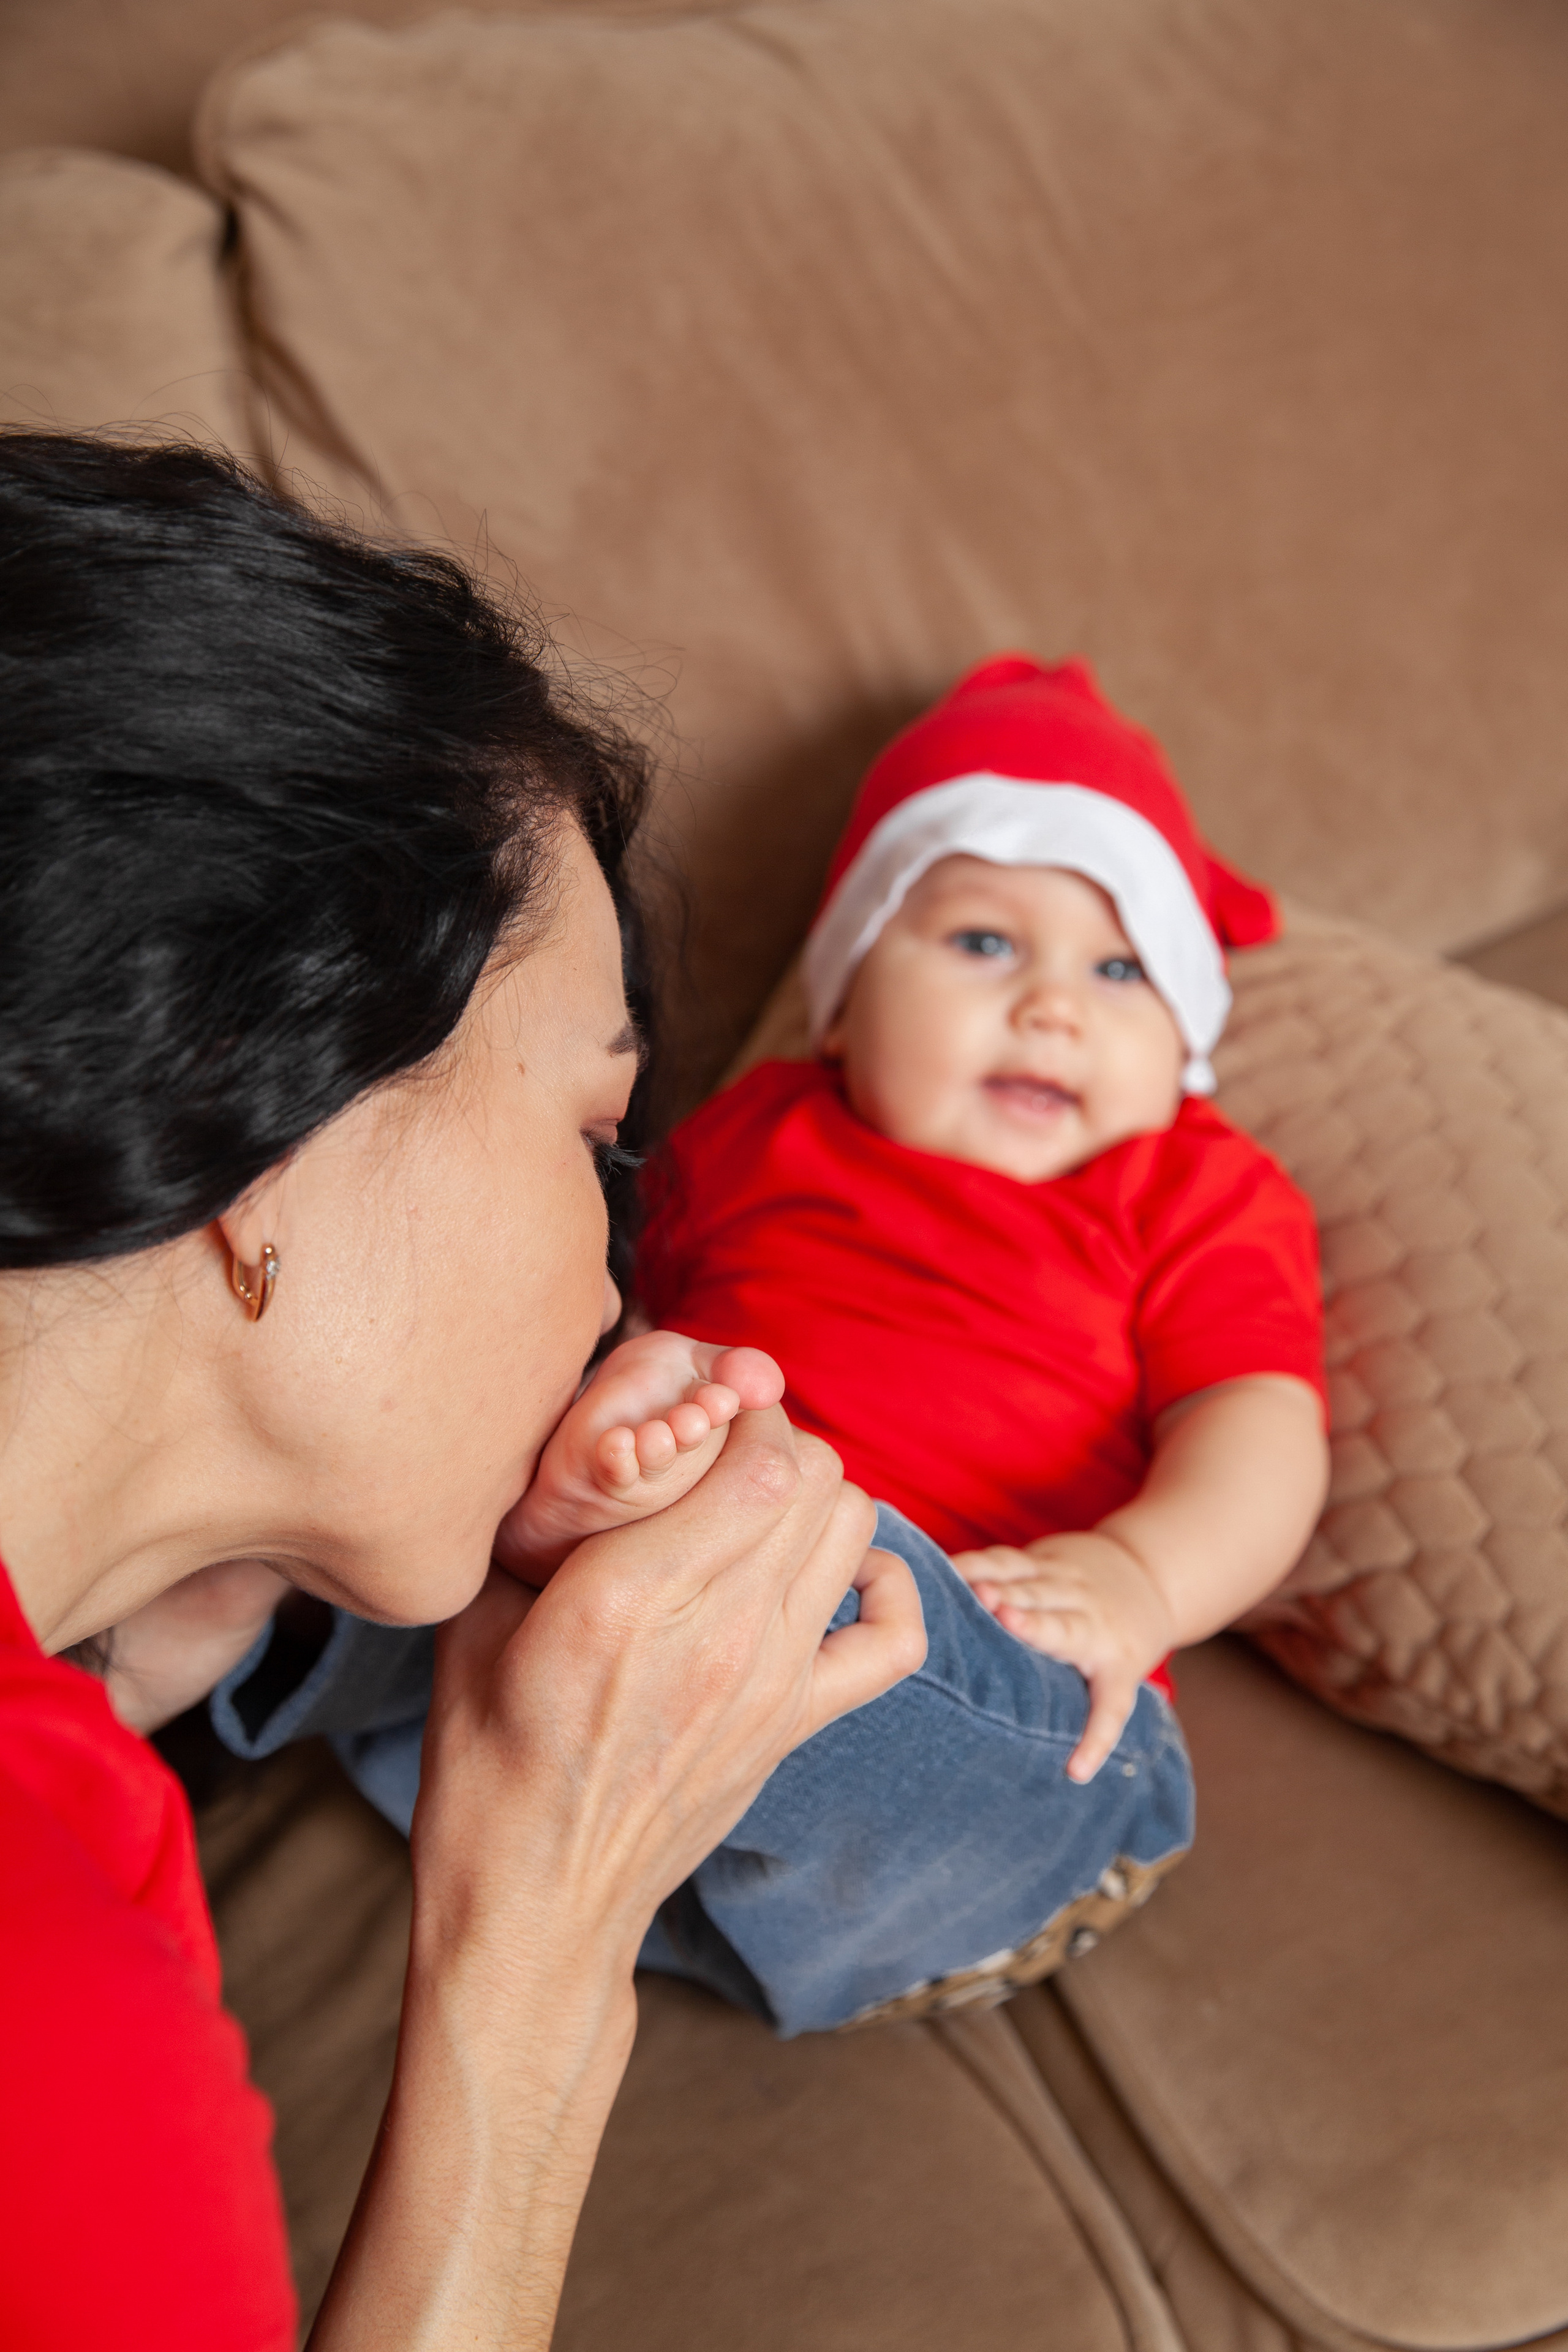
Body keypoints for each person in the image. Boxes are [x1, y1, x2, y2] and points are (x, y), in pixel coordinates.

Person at [0, 429, 927, 2352]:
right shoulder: (48, 1973)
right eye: (593, 1137)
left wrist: (122, 1622)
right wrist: (544, 1937)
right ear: (265, 1094)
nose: (616, 1275)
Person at [630, 654, 1330, 1782]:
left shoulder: (1197, 1189)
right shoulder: (758, 1131)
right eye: (985, 944)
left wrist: (1137, 1580)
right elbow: (638, 1314)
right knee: (489, 1584)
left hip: (1000, 1645)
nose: (1052, 1007)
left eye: (1120, 968)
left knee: (896, 1697)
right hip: (704, 1580)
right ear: (844, 1005)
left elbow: (1258, 1429)